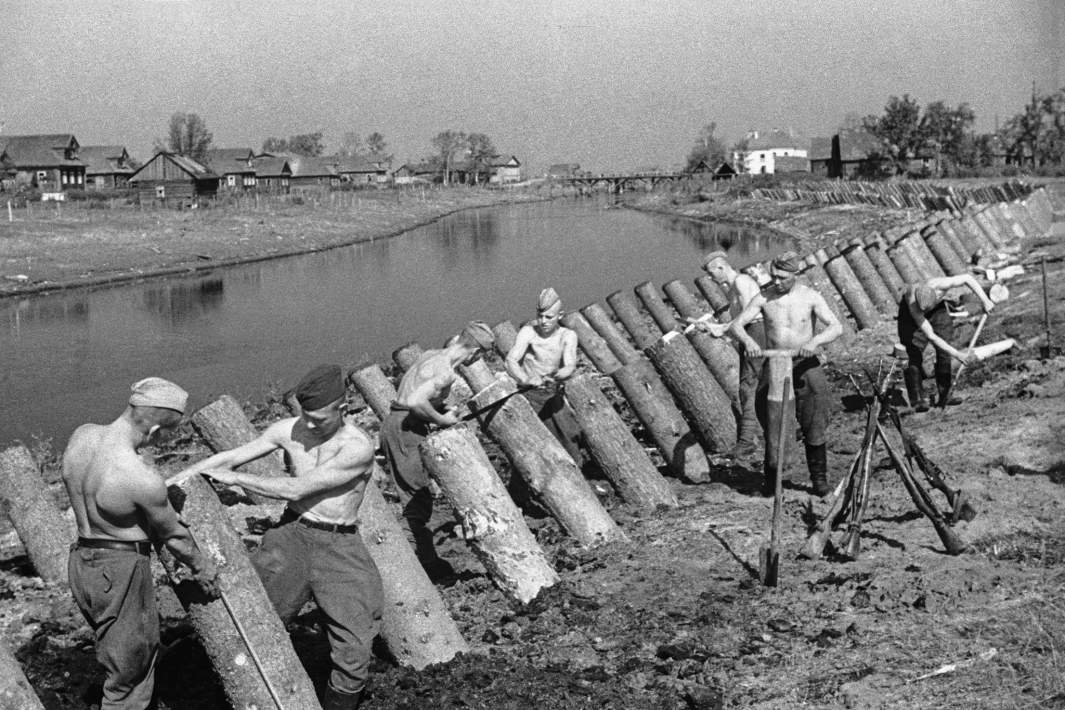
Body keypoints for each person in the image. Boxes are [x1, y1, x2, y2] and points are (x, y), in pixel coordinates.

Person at [172, 364, 381, 710]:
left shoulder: (356, 447)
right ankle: (203, 684)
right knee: (255, 618)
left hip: (339, 546)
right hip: (290, 536)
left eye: (319, 418)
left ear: (343, 409)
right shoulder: (288, 429)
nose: (309, 425)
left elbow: (299, 487)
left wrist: (238, 480)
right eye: (306, 416)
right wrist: (179, 479)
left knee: (355, 645)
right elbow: (232, 456)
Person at [62, 377, 217, 710]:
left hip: (81, 562)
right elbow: (175, 536)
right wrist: (203, 568)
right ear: (154, 430)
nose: (162, 443)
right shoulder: (138, 478)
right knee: (129, 676)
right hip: (120, 573)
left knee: (118, 648)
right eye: (165, 436)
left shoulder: (82, 436)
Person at [379, 322, 494, 580]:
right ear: (475, 353)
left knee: (416, 495)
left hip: (398, 425)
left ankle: (427, 558)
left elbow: (417, 392)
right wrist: (443, 421)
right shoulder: (446, 372)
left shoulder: (431, 354)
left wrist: (441, 410)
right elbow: (415, 401)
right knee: (416, 498)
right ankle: (406, 569)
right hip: (405, 429)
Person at [731, 252, 843, 497]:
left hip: (805, 363)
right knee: (772, 422)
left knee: (815, 420)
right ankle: (771, 484)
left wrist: (815, 342)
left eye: (782, 277)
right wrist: (749, 341)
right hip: (775, 365)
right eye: (774, 276)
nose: (777, 282)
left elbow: (836, 327)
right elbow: (737, 325)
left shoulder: (810, 297)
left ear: (795, 274)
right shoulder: (764, 297)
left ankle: (819, 481)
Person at [504, 288, 585, 465]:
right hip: (528, 394)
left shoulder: (567, 336)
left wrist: (556, 375)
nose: (543, 321)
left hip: (552, 394)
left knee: (569, 435)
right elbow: (511, 360)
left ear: (560, 315)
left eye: (549, 317)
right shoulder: (528, 332)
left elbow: (570, 365)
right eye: (540, 316)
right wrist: (524, 379)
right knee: (531, 444)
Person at [697, 251, 766, 459]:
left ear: (721, 267)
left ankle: (747, 441)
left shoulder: (742, 282)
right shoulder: (733, 289)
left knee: (748, 386)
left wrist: (722, 328)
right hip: (751, 332)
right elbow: (739, 323)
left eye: (712, 273)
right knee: (757, 385)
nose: (711, 278)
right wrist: (716, 328)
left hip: (757, 332)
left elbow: (750, 315)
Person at [898, 274, 996, 412]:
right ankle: (917, 400)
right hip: (910, 316)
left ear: (936, 296)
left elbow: (968, 278)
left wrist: (985, 300)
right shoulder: (913, 304)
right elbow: (931, 336)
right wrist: (957, 354)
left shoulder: (940, 284)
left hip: (938, 311)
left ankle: (946, 395)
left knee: (944, 348)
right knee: (913, 352)